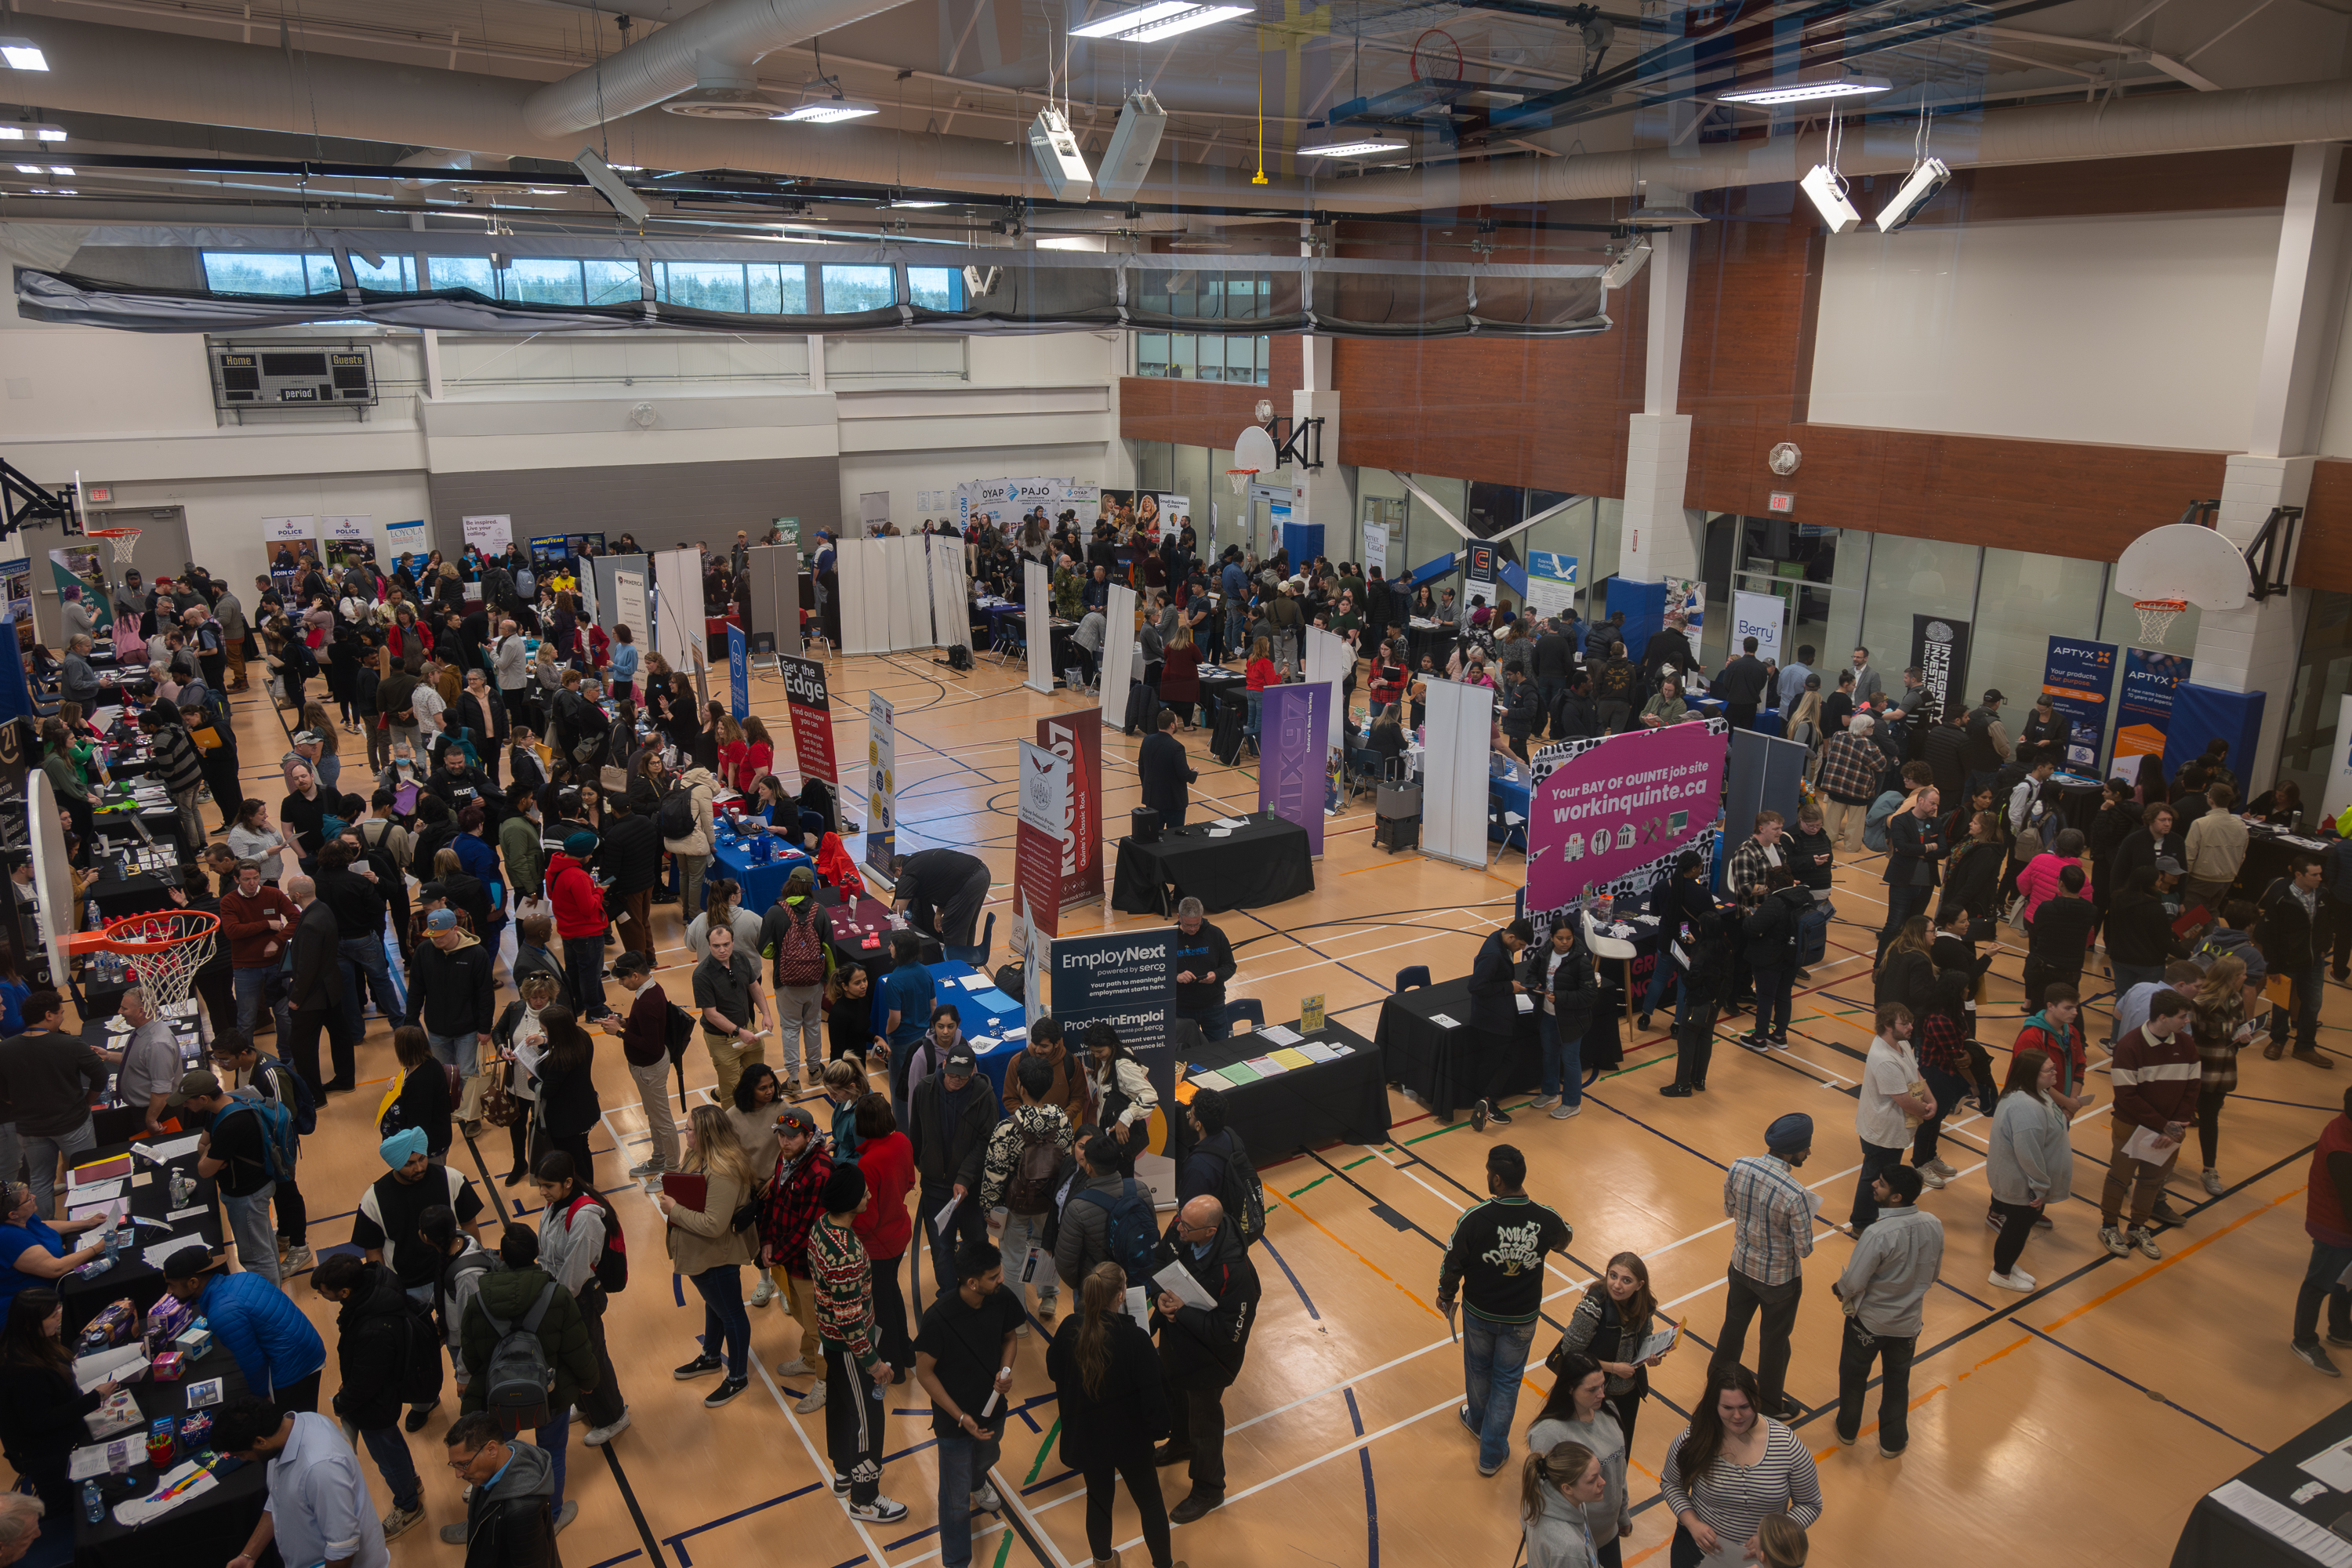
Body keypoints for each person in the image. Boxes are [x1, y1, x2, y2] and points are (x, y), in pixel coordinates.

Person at [1437, 1143, 1573, 1476]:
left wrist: (1446, 1294)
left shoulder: (1475, 1218)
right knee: (1507, 1381)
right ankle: (1492, 1451)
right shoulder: (1545, 1217)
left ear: (1497, 1180)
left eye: (1488, 1173)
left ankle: (1480, 1423)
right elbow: (1564, 1239)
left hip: (1480, 1314)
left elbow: (1452, 1261)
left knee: (1479, 1370)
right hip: (1521, 1319)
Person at [458, 1225, 596, 1532]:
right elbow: (577, 1346)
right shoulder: (557, 1294)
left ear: (502, 1256)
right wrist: (589, 1381)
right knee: (553, 1452)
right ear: (537, 1254)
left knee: (491, 1454)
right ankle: (554, 1515)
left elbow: (471, 1357)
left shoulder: (478, 1301)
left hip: (497, 1395)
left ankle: (487, 1517)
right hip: (551, 1392)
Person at [1050, 1261, 1176, 1568]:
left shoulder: (1069, 1328)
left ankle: (1103, 1562)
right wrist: (1160, 1431)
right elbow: (1153, 1394)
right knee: (1149, 1502)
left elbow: (1054, 1369)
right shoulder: (1135, 1340)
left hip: (1088, 1437)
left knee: (1099, 1500)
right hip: (1131, 1440)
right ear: (1121, 1295)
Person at [913, 1238, 1025, 1568]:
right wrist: (961, 1417)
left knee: (988, 1456)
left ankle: (979, 1481)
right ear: (972, 1282)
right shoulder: (938, 1319)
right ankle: (957, 1562)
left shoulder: (1001, 1298)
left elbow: (1009, 1337)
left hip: (993, 1412)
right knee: (955, 1502)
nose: (1001, 1280)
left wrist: (1006, 1370)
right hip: (955, 1424)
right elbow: (925, 1373)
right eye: (994, 1276)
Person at [1151, 1194, 1261, 1525]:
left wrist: (1181, 1314)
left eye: (1186, 1226)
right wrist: (1160, 1300)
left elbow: (1229, 1335)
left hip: (1211, 1360)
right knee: (1175, 1398)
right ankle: (1180, 1442)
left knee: (1205, 1424)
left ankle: (1209, 1488)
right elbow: (1159, 1263)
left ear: (1210, 1232)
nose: (1177, 1228)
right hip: (1177, 1342)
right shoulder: (1183, 1225)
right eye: (1180, 1221)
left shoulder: (1237, 1274)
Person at [308, 1253, 431, 1541]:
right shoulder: (375, 1289)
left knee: (386, 1453)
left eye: (323, 1291)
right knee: (391, 1440)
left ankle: (409, 1506)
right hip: (380, 1393)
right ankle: (410, 1482)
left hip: (375, 1401)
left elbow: (367, 1381)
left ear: (345, 1292)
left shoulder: (372, 1329)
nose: (320, 1294)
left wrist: (341, 1402)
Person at [812, 1161, 909, 1522]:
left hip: (830, 1340)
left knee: (838, 1406)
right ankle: (864, 1498)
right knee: (868, 1418)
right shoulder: (848, 1253)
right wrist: (875, 1364)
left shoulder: (821, 1227)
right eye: (864, 1191)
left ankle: (843, 1473)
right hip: (853, 1350)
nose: (869, 1194)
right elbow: (851, 1319)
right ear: (851, 1202)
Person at [1658, 1365, 1822, 1568]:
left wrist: (1773, 1540)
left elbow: (1810, 1504)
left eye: (1745, 1407)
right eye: (1727, 1408)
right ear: (1714, 1406)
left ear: (1756, 1401)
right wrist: (1693, 1524)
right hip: (1700, 1554)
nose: (1738, 1416)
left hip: (1766, 1560)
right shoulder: (1694, 1439)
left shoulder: (1787, 1444)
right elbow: (1671, 1483)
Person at [1830, 1163, 1943, 1457]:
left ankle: (1847, 1430)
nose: (1874, 1185)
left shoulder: (1878, 1233)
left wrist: (1839, 1289)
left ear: (1896, 1197)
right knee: (1897, 1382)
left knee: (1854, 1380)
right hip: (1908, 1325)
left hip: (1869, 1323)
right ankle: (1892, 1442)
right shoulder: (1933, 1223)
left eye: (1880, 1183)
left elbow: (1854, 1281)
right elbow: (1933, 1274)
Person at [1712, 1115, 1813, 1423]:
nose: (1808, 1153)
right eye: (1806, 1148)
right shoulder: (1795, 1193)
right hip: (1778, 1282)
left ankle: (1715, 1390)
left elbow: (1730, 1209)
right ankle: (1770, 1405)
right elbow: (1804, 1249)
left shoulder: (1740, 1165)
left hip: (1741, 1266)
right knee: (1774, 1343)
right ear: (1794, 1150)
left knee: (1732, 1330)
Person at [212, 1398, 391, 1568]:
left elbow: (343, 1546)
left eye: (241, 1455)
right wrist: (248, 1556)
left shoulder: (321, 1468)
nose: (243, 1460)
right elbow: (278, 1498)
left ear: (260, 1441)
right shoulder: (292, 1428)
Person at [659, 1103, 758, 1407]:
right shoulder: (696, 1155)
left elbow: (714, 1225)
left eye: (689, 1129)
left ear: (705, 1134)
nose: (685, 1133)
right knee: (715, 1306)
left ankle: (737, 1376)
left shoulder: (723, 1171)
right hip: (703, 1253)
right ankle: (711, 1357)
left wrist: (674, 1209)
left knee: (731, 1313)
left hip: (718, 1254)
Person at [532, 1152, 630, 1446]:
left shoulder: (586, 1217)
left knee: (592, 1357)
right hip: (560, 1293)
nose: (542, 1192)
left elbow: (575, 1270)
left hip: (578, 1297)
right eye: (540, 1185)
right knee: (574, 1357)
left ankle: (614, 1416)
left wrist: (554, 1304)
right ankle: (588, 1405)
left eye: (548, 1186)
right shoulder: (556, 1204)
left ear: (567, 1182)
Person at [0, 1288, 110, 1530]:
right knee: (67, 1514)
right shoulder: (22, 1369)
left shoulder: (36, 1342)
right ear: (30, 1323)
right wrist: (96, 1398)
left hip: (63, 1434)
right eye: (52, 1314)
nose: (59, 1316)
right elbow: (41, 1420)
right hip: (47, 1455)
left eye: (59, 1308)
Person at [2103, 989, 2200, 1261]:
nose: (2187, 1021)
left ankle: (2137, 1227)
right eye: (2182, 1017)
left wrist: (2176, 1126)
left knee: (2152, 1181)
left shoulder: (2187, 1045)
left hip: (2170, 1130)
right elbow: (2127, 1096)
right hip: (2131, 1126)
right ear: (2162, 1017)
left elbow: (2193, 1088)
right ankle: (2109, 1226)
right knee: (2119, 1178)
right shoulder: (2130, 1046)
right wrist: (2163, 1126)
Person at [982, 1054, 1076, 1329]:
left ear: (1020, 1086)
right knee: (1047, 1247)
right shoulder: (1062, 1121)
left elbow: (994, 1174)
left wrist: (989, 1208)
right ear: (1047, 1086)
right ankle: (1048, 1298)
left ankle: (1018, 1319)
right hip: (1049, 1199)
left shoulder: (1007, 1127)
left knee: (1011, 1258)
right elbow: (1068, 1161)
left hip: (1016, 1202)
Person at [0, 990, 107, 1218]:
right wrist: (86, 1102)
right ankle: (89, 1226)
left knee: (40, 1181)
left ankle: (49, 1233)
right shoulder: (70, 1044)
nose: (61, 1018)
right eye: (60, 1014)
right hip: (72, 1125)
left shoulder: (4, 1050)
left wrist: (22, 1102)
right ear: (48, 1015)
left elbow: (3, 1093)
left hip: (30, 1130)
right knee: (86, 1175)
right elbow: (100, 1076)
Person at [756, 1105, 835, 1414]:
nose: (784, 1142)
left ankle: (826, 1380)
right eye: (780, 1136)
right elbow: (773, 1200)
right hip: (786, 1259)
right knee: (803, 1314)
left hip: (808, 1264)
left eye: (791, 1137)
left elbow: (808, 1227)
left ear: (808, 1134)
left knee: (818, 1327)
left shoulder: (821, 1170)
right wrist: (766, 1240)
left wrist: (776, 1253)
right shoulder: (785, 1159)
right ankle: (807, 1357)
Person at [910, 1044, 1000, 1302]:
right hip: (935, 1189)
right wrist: (923, 1164)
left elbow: (986, 1142)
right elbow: (915, 1132)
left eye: (961, 1075)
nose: (955, 1080)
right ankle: (951, 1299)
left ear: (973, 1072)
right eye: (951, 1074)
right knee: (941, 1249)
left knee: (977, 1243)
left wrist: (964, 1177)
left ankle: (982, 1295)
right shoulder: (923, 1090)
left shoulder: (985, 1096)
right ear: (943, 1066)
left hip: (971, 1189)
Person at [1550, 1253, 1668, 1450]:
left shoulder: (1643, 1305)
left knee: (1621, 1449)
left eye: (1626, 1280)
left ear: (1639, 1285)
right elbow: (1570, 1352)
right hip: (1592, 1390)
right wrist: (1613, 1368)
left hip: (1628, 1391)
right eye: (1613, 1276)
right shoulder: (1593, 1306)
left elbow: (1646, 1337)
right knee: (1589, 1451)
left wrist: (1653, 1355)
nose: (1617, 1285)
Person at [1987, 1048, 2074, 1292]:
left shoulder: (2037, 1094)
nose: (2055, 1072)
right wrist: (2040, 1187)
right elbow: (2028, 1153)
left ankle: (2007, 1263)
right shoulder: (2025, 1107)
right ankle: (2001, 1273)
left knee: (2020, 1225)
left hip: (2026, 1183)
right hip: (2023, 1183)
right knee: (2017, 1227)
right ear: (2032, 1075)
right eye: (2049, 1070)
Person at [1525, 1356, 1626, 1566]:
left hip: (1609, 1532)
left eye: (1602, 1385)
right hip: (1578, 1538)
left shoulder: (1608, 1411)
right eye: (1592, 1390)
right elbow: (1542, 1490)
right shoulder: (1548, 1432)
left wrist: (1622, 1512)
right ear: (1570, 1389)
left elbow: (1619, 1468)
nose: (1602, 1394)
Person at [1852, 1005, 1936, 1234]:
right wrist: (1924, 1110)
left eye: (1910, 1022)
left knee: (1882, 1176)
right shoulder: (1884, 1059)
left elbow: (1916, 1075)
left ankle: (1875, 1217)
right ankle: (1861, 1225)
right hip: (1882, 1130)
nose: (1911, 1027)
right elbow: (1903, 1099)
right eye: (1905, 1024)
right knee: (1874, 1178)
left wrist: (1931, 1100)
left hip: (1894, 1128)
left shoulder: (1903, 1044)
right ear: (1888, 1026)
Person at [442, 1411, 561, 1568]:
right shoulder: (493, 1468)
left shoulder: (523, 1512)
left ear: (491, 1449)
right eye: (454, 1465)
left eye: (463, 1464)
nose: (458, 1474)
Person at [852, 1094, 917, 1374]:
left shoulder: (868, 1162)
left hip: (878, 1244)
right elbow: (911, 1181)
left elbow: (867, 1217)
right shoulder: (902, 1141)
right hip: (900, 1232)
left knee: (882, 1305)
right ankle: (906, 1351)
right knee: (892, 1293)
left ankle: (894, 1365)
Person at [607, 949, 681, 1179]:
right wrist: (625, 1022)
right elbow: (645, 1026)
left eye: (622, 978)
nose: (620, 983)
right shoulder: (649, 990)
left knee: (662, 1120)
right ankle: (659, 1160)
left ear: (636, 976)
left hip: (650, 1068)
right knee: (653, 1116)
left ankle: (672, 1171)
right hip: (645, 1068)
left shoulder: (648, 1000)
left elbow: (651, 1045)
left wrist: (619, 1032)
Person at [2257, 851, 2335, 1069]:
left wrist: (2325, 945)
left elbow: (2328, 921)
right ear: (2299, 875)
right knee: (2281, 1004)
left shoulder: (2323, 893)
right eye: (2314, 875)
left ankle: (2305, 1047)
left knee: (2312, 1005)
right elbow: (2268, 934)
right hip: (2285, 962)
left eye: (2320, 874)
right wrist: (2272, 965)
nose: (2320, 878)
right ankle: (2278, 1041)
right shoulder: (2280, 896)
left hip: (2313, 962)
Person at [2293, 1086, 2352, 1374]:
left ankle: (2341, 1330)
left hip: (2344, 1224)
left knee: (2346, 1279)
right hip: (2335, 1228)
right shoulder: (2341, 1149)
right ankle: (2304, 1341)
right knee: (2319, 1284)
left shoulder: (2344, 1124)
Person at [760, 865, 833, 1094]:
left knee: (790, 1028)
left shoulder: (775, 912)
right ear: (810, 886)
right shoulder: (820, 911)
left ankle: (792, 1079)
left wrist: (783, 956)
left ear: (789, 884)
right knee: (812, 1025)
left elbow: (765, 949)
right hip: (814, 981)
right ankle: (814, 1071)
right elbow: (829, 950)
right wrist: (828, 979)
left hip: (786, 982)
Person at [693, 923, 775, 1106]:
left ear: (733, 942)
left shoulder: (740, 958)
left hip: (748, 1029)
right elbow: (711, 1014)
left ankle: (754, 1113)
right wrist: (739, 1032)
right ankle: (732, 1129)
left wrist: (766, 1015)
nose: (722, 950)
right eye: (716, 946)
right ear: (709, 945)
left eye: (726, 944)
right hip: (722, 1040)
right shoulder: (701, 975)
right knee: (731, 1090)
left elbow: (754, 986)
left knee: (756, 1076)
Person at [1465, 918, 1534, 1131]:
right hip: (1492, 1019)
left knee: (1502, 1058)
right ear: (1511, 937)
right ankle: (1487, 1102)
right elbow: (1476, 986)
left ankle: (1486, 1099)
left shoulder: (1498, 937)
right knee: (1498, 1060)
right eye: (1520, 945)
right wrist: (1508, 987)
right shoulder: (1494, 955)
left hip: (1496, 1014)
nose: (1520, 949)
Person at [1530, 920, 1601, 1119]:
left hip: (1572, 1019)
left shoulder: (1581, 961)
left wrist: (1560, 997)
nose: (1565, 942)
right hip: (1546, 1015)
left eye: (1568, 938)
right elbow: (1532, 972)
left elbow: (1589, 995)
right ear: (1551, 938)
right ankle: (1550, 1092)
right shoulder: (1545, 952)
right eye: (1560, 938)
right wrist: (1534, 984)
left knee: (1570, 1061)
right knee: (1549, 1055)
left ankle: (1572, 1103)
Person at [1877, 784, 1944, 964]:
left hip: (1926, 885)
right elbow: (1902, 848)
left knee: (1912, 928)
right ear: (1920, 800)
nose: (1935, 807)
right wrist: (1929, 847)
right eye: (1932, 803)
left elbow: (1944, 850)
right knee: (1893, 926)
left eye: (1937, 804)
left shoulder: (1936, 823)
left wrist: (1918, 850)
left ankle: (1902, 964)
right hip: (1902, 883)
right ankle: (1880, 965)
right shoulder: (1901, 821)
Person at [889, 848, 993, 950]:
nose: (899, 879)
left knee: (952, 925)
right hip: (982, 873)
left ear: (899, 869)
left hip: (970, 880)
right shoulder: (919, 860)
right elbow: (944, 886)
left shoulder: (908, 872)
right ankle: (966, 961)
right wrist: (939, 913)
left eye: (898, 877)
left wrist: (888, 917)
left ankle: (954, 963)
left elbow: (899, 908)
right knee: (967, 924)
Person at [2181, 782, 2247, 915]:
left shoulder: (2200, 824)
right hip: (2227, 879)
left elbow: (2189, 856)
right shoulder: (2241, 826)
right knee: (2210, 914)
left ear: (2210, 799)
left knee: (2191, 919)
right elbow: (2242, 856)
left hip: (2202, 879)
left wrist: (2182, 882)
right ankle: (2214, 936)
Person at [1138, 707, 1197, 829]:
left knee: (1153, 838)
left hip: (1152, 799)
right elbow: (1184, 774)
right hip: (1173, 802)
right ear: (1172, 725)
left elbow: (1142, 768)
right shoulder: (1177, 747)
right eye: (1176, 721)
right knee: (1174, 840)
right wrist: (1194, 774)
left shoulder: (1147, 740)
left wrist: (1147, 787)